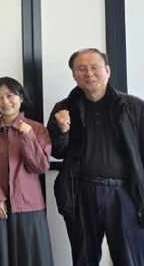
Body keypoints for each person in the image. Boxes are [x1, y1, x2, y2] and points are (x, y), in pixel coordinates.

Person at [48, 48, 144, 265]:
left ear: (107, 71)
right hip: (81, 193)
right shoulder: (64, 108)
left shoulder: (133, 106)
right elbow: (56, 152)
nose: (89, 73)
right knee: (84, 257)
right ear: (74, 75)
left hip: (125, 193)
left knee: (130, 258)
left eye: (94, 67)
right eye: (81, 69)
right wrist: (62, 131)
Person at [0, 76, 53, 266]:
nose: (5, 101)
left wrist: (27, 136)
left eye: (10, 95)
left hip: (30, 206)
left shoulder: (37, 129)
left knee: (32, 258)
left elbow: (40, 167)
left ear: (21, 97)